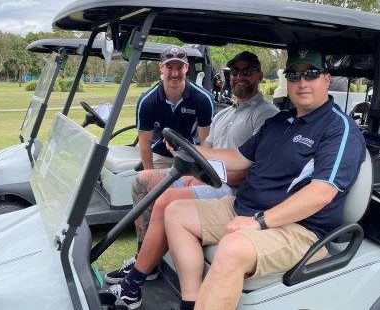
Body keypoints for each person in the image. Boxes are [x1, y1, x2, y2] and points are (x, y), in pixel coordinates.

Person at [164, 47, 366, 310]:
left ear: (326, 79)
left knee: (232, 247)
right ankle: (190, 302)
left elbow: (322, 192)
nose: (302, 83)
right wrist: (194, 149)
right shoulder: (280, 121)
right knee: (176, 212)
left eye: (311, 74)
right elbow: (238, 157)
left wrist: (258, 223)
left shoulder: (339, 129)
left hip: (299, 228)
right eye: (294, 76)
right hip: (245, 208)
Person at [106, 51, 278, 309]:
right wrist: (193, 172)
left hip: (232, 190)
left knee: (168, 200)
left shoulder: (265, 115)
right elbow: (206, 149)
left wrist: (203, 178)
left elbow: (247, 171)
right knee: (145, 181)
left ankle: (133, 285)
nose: (239, 77)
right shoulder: (226, 113)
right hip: (212, 180)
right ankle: (145, 258)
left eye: (247, 71)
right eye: (235, 72)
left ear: (259, 76)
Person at [136, 45, 214, 170]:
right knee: (143, 183)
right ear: (161, 67)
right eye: (169, 67)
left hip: (192, 154)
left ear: (187, 68)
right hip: (160, 155)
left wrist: (201, 168)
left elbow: (206, 141)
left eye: (180, 67)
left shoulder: (203, 99)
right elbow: (144, 143)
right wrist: (149, 175)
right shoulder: (148, 101)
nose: (175, 73)